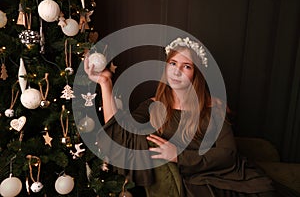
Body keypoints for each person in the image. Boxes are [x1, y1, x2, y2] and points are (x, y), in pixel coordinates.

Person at [84, 37, 286, 197]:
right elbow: (118, 132)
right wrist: (105, 83)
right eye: (173, 63)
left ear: (196, 74)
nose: (177, 71)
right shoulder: (152, 105)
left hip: (228, 177)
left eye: (186, 66)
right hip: (192, 182)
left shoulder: (211, 108)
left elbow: (228, 154)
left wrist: (179, 155)